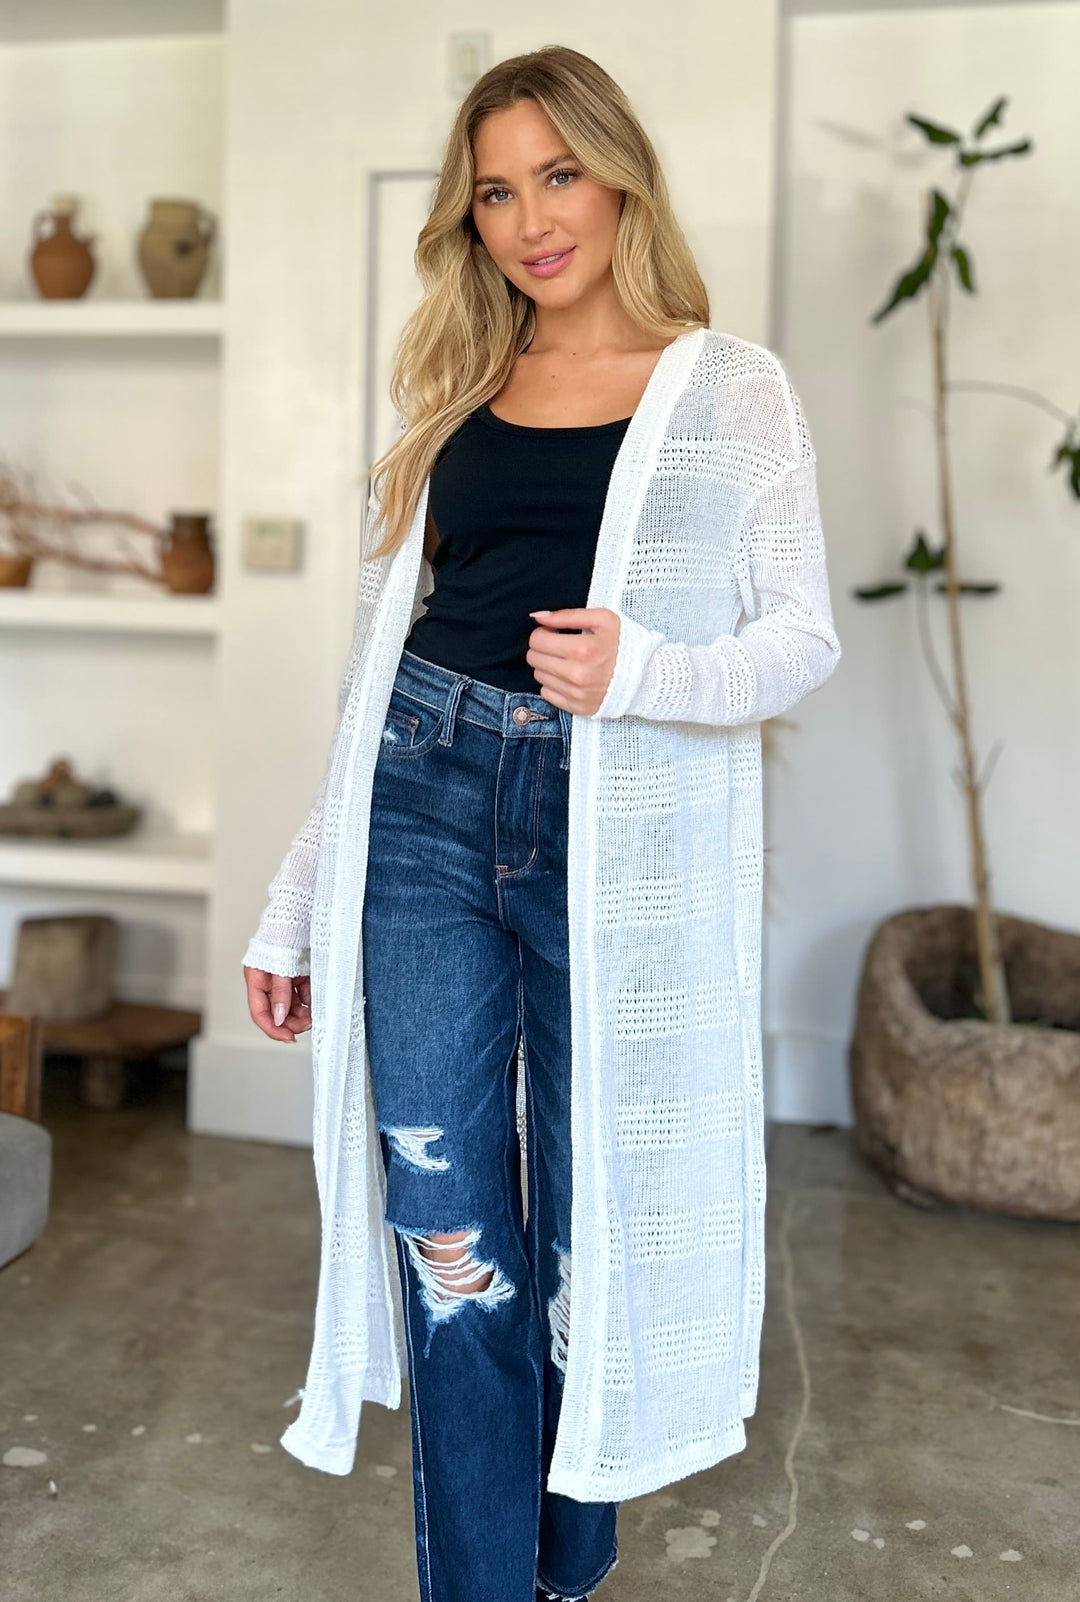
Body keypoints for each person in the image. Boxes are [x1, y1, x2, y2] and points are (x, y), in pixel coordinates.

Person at [242, 44, 841, 1602]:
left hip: (609, 828)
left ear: (619, 173)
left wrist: (648, 671)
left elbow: (803, 637)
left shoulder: (731, 389)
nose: (529, 220)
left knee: (593, 1235)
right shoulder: (457, 384)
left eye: (555, 176)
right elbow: (375, 674)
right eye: (496, 192)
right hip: (426, 800)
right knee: (454, 1250)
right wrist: (296, 900)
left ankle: (567, 1563)